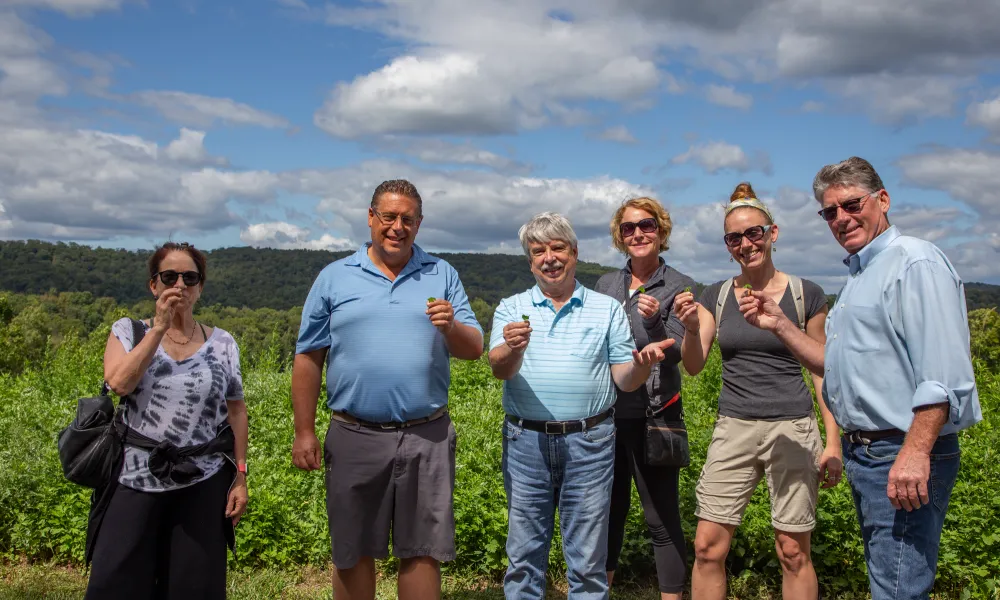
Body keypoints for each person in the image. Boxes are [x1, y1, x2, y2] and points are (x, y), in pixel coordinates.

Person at [290, 179, 484, 600]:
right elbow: (308, 357)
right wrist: (304, 430)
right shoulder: (334, 277)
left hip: (426, 434)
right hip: (354, 434)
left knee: (422, 551)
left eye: (408, 219)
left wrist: (450, 325)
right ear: (370, 218)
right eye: (389, 217)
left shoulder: (442, 273)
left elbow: (474, 349)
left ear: (420, 223)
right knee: (352, 548)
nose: (398, 226)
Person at [806, 157, 981, 600]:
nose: (841, 219)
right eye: (830, 212)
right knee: (889, 577)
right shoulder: (861, 274)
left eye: (851, 204)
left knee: (898, 585)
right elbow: (840, 363)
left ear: (882, 200)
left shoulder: (914, 262)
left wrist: (915, 452)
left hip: (900, 449)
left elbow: (941, 374)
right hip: (869, 451)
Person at [488, 211, 676, 600]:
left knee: (589, 559)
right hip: (526, 443)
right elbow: (500, 370)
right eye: (538, 251)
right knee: (523, 555)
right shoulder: (511, 308)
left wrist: (642, 367)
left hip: (590, 442)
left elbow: (624, 378)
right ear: (529, 260)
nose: (549, 258)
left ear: (574, 253)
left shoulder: (605, 308)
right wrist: (511, 348)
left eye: (557, 248)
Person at [672, 183, 841, 600]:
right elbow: (693, 365)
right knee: (708, 547)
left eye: (754, 233)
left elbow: (823, 371)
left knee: (792, 551)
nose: (746, 244)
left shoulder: (807, 295)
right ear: (727, 245)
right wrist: (692, 329)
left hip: (794, 428)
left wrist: (833, 441)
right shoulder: (718, 295)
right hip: (734, 427)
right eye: (735, 238)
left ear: (773, 233)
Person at [85, 242, 249, 600]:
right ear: (153, 285)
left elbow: (236, 410)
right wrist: (158, 328)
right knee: (117, 584)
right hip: (134, 478)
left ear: (200, 287)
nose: (180, 285)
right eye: (169, 276)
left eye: (190, 278)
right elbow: (119, 383)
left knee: (194, 588)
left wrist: (240, 475)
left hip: (202, 480)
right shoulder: (129, 331)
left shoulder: (222, 343)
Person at [594, 197, 694, 600]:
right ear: (620, 236)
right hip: (605, 417)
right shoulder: (605, 285)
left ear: (661, 231)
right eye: (629, 228)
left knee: (661, 518)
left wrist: (653, 322)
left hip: (656, 416)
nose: (638, 233)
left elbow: (675, 354)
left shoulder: (678, 285)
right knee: (608, 515)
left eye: (647, 225)